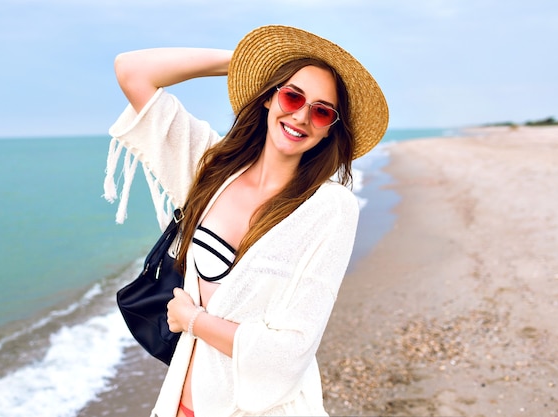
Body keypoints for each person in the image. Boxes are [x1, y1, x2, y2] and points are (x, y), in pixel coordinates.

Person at [104, 25, 388, 417]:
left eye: (321, 111)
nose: (301, 115)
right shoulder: (211, 167)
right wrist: (242, 64)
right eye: (292, 94)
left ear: (328, 131)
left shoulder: (330, 208)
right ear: (270, 98)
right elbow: (132, 70)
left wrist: (193, 320)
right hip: (180, 403)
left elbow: (289, 354)